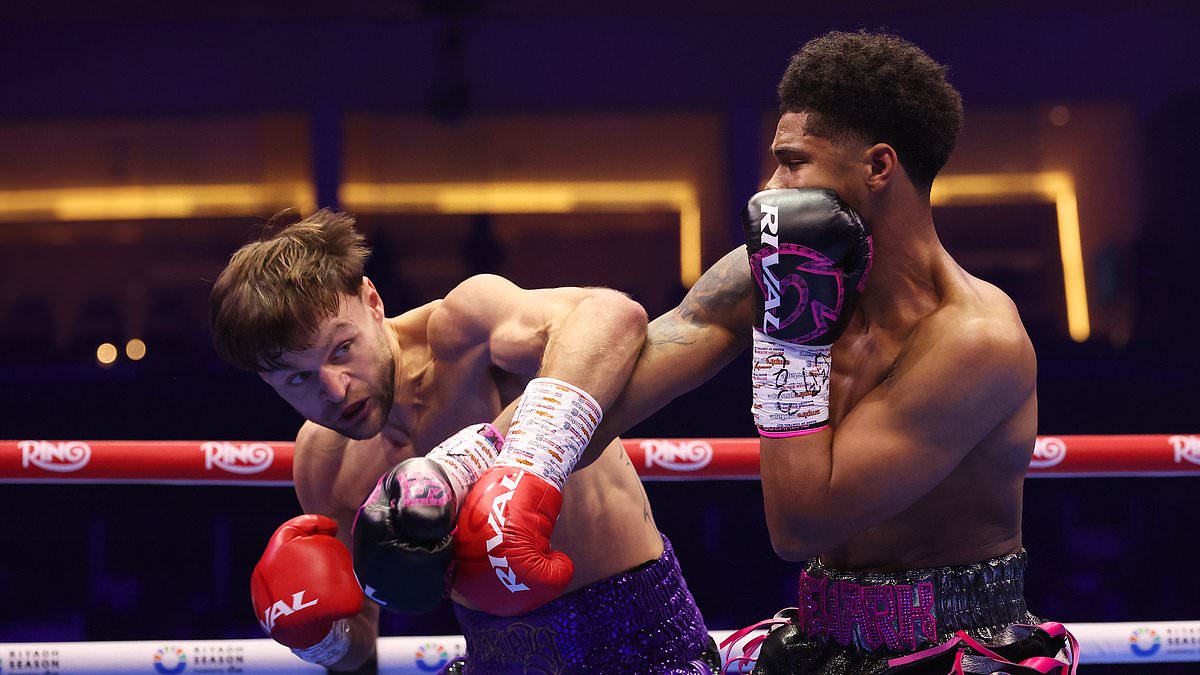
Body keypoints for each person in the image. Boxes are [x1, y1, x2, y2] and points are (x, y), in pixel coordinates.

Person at [583, 31, 1076, 674]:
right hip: (816, 641)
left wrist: (792, 328)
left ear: (877, 168)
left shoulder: (976, 340)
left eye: (792, 162)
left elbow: (800, 526)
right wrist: (469, 460)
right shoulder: (765, 274)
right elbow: (617, 391)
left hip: (955, 650)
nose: (770, 185)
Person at [209, 211, 719, 673]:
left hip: (644, 649)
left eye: (342, 349)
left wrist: (526, 458)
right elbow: (359, 648)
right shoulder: (324, 463)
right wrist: (317, 637)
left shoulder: (465, 336)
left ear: (371, 300)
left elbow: (610, 315)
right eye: (297, 380)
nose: (335, 388)